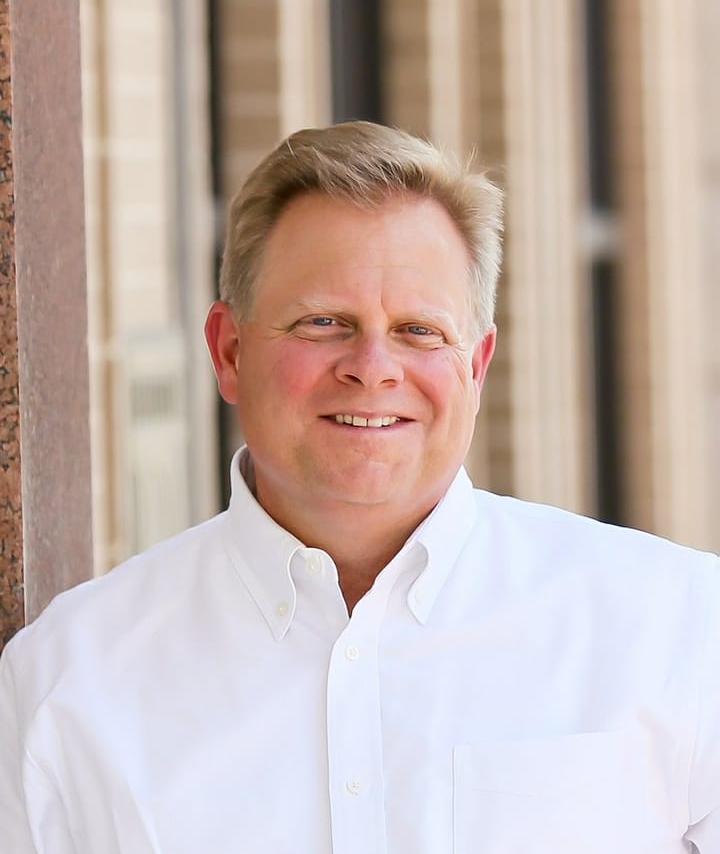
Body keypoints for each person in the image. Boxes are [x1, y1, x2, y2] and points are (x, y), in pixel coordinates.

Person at [1, 121, 718, 854]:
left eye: (419, 330)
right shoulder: (67, 684)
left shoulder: (681, 630)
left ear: (476, 366)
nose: (373, 367)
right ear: (230, 351)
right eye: (323, 322)